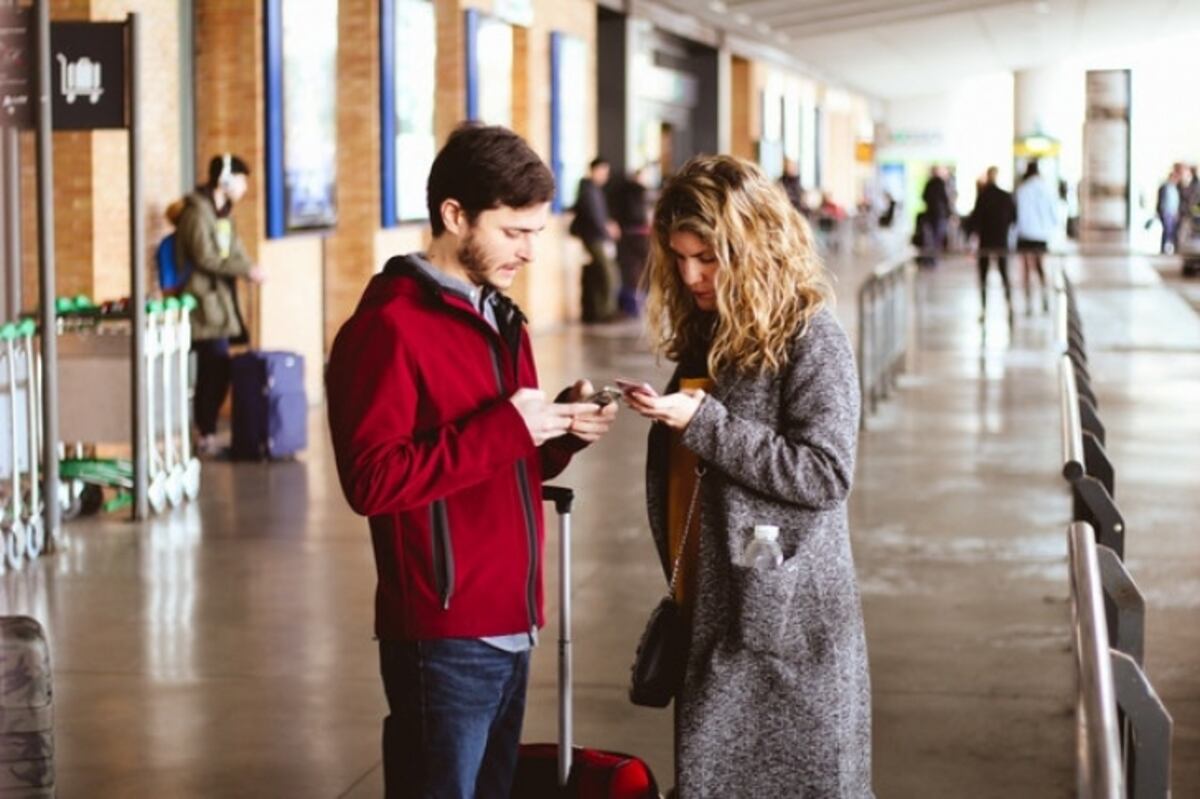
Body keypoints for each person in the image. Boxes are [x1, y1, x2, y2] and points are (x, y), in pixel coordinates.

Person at [325, 123, 618, 799]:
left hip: (513, 619)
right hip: (443, 631)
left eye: (536, 234)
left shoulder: (500, 317)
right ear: (454, 215)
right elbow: (372, 479)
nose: (529, 251)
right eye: (514, 231)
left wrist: (561, 429)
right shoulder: (387, 328)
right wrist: (509, 424)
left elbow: (503, 459)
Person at [625, 155, 871, 797]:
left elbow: (824, 472)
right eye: (679, 259)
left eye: (706, 257)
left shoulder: (811, 338)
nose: (691, 275)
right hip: (718, 608)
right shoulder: (712, 331)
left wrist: (702, 422)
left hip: (788, 623)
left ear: (752, 246)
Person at [175, 153, 264, 456]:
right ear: (224, 180)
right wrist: (243, 270)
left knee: (218, 367)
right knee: (213, 367)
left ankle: (206, 430)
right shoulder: (197, 214)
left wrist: (250, 267)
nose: (244, 188)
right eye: (240, 181)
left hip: (221, 301)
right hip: (202, 302)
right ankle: (205, 433)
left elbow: (234, 251)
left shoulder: (223, 215)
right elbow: (205, 256)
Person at [570, 157, 621, 322]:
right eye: (603, 172)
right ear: (594, 170)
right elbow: (595, 217)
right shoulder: (588, 190)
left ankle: (603, 310)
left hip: (597, 237)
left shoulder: (593, 190)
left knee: (603, 274)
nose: (605, 176)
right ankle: (605, 312)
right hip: (594, 238)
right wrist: (607, 231)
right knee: (608, 273)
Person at [968, 166, 1016, 325]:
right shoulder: (1005, 196)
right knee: (1004, 275)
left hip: (986, 242)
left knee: (983, 277)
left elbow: (975, 220)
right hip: (1001, 241)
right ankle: (1009, 306)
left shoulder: (983, 196)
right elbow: (1013, 218)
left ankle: (984, 309)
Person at [1014, 160, 1058, 314]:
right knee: (1040, 267)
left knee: (1026, 269)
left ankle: (1028, 303)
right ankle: (1045, 298)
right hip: (1041, 235)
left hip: (1025, 234)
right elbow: (1054, 214)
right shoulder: (1047, 189)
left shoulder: (1022, 189)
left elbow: (1017, 215)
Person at [614, 166, 653, 317]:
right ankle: (643, 304)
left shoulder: (619, 194)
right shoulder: (641, 192)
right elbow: (645, 215)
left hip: (627, 236)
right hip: (641, 236)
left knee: (630, 271)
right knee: (646, 269)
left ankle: (633, 307)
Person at [919, 165, 952, 265]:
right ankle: (933, 259)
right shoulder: (940, 183)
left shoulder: (929, 183)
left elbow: (924, 197)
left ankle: (930, 259)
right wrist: (948, 213)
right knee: (937, 237)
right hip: (939, 215)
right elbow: (945, 200)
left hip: (932, 214)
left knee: (931, 238)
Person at [1156, 163, 1184, 254]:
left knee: (1171, 230)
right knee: (1167, 230)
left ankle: (1170, 247)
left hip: (1172, 212)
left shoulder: (1175, 188)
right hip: (1166, 212)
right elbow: (1161, 200)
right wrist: (1160, 211)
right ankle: (1163, 247)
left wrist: (1176, 212)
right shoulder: (1165, 187)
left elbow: (1175, 202)